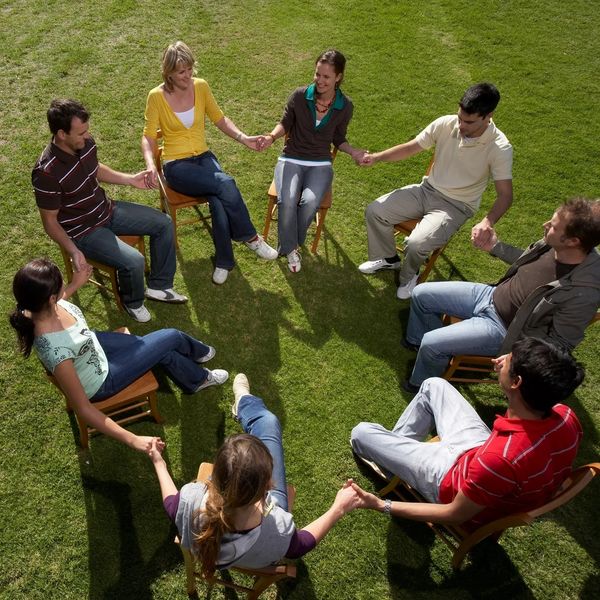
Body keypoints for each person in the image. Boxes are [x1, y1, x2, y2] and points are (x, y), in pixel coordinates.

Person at [350, 337, 584, 531]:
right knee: (434, 385)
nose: (499, 360)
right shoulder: (565, 416)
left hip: (450, 483)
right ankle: (397, 463)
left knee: (361, 434)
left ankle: (396, 464)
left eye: (507, 361)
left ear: (517, 382)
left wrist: (382, 505)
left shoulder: (501, 460)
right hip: (478, 452)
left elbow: (454, 514)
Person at [9, 258, 228, 453]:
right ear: (50, 299)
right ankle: (200, 354)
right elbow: (83, 407)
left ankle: (196, 379)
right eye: (61, 285)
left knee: (161, 350)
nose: (64, 286)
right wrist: (133, 439)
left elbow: (60, 298)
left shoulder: (32, 307)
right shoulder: (56, 351)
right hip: (103, 379)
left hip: (90, 344)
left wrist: (77, 282)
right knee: (170, 337)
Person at [149, 373, 360, 573]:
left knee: (267, 424)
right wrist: (338, 508)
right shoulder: (279, 529)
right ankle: (243, 402)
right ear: (268, 487)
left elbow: (170, 504)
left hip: (220, 542)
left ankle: (243, 402)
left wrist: (159, 462)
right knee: (268, 423)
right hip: (258, 550)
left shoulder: (189, 499)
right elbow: (298, 547)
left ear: (216, 475)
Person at [403, 197, 600, 390]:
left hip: (504, 330)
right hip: (490, 295)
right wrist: (495, 247)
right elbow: (528, 261)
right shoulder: (555, 242)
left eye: (554, 226)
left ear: (573, 241)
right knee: (421, 294)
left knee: (433, 342)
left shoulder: (584, 291)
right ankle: (419, 344)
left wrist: (516, 357)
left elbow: (561, 343)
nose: (545, 224)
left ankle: (422, 384)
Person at [33, 99, 186, 323]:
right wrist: (74, 251)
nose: (87, 136)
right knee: (134, 261)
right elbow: (50, 221)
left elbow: (93, 169)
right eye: (81, 132)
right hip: (83, 231)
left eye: (87, 131)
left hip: (106, 209)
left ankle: (159, 286)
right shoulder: (46, 173)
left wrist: (130, 180)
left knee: (163, 223)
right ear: (61, 134)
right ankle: (133, 302)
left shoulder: (84, 143)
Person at [358, 82, 513, 299]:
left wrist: (487, 221)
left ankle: (408, 277)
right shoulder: (446, 124)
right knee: (375, 211)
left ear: (488, 116)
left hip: (456, 206)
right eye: (460, 118)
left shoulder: (500, 147)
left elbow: (506, 195)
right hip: (427, 190)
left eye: (468, 122)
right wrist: (377, 157)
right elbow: (412, 147)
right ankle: (388, 259)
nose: (460, 125)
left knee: (416, 243)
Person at [141, 41, 278, 285]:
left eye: (190, 69)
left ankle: (224, 261)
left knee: (218, 198)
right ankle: (250, 238)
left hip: (204, 157)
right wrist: (152, 165)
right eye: (181, 72)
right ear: (169, 72)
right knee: (225, 183)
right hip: (177, 166)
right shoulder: (156, 97)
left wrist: (244, 138)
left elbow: (219, 118)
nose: (187, 75)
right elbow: (148, 136)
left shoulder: (201, 87)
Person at [258, 49, 366, 273]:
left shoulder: (345, 106)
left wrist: (353, 151)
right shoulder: (299, 96)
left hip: (320, 164)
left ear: (338, 77)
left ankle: (290, 244)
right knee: (287, 201)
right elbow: (285, 123)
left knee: (308, 203)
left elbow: (338, 138)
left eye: (326, 77)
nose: (320, 81)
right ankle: (291, 248)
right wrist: (271, 137)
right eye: (318, 74)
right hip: (291, 158)